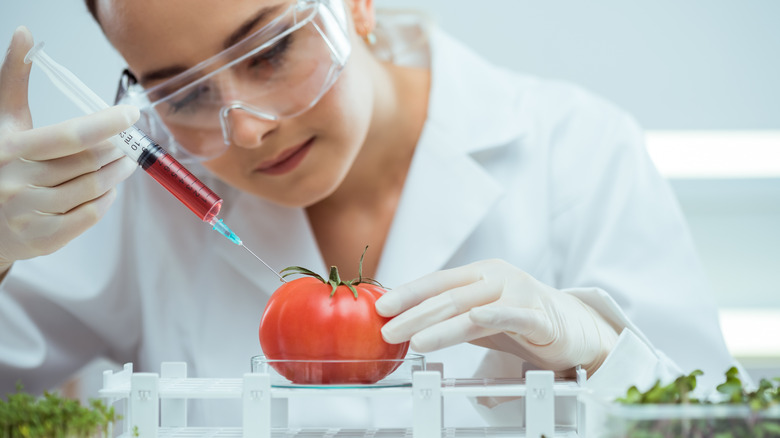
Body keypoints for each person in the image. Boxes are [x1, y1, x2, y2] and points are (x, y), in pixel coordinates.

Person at [0, 0, 738, 429]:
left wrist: (608, 355)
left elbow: (716, 421)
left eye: (272, 51)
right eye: (184, 96)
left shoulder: (576, 149)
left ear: (356, 4)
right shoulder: (134, 198)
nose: (247, 128)